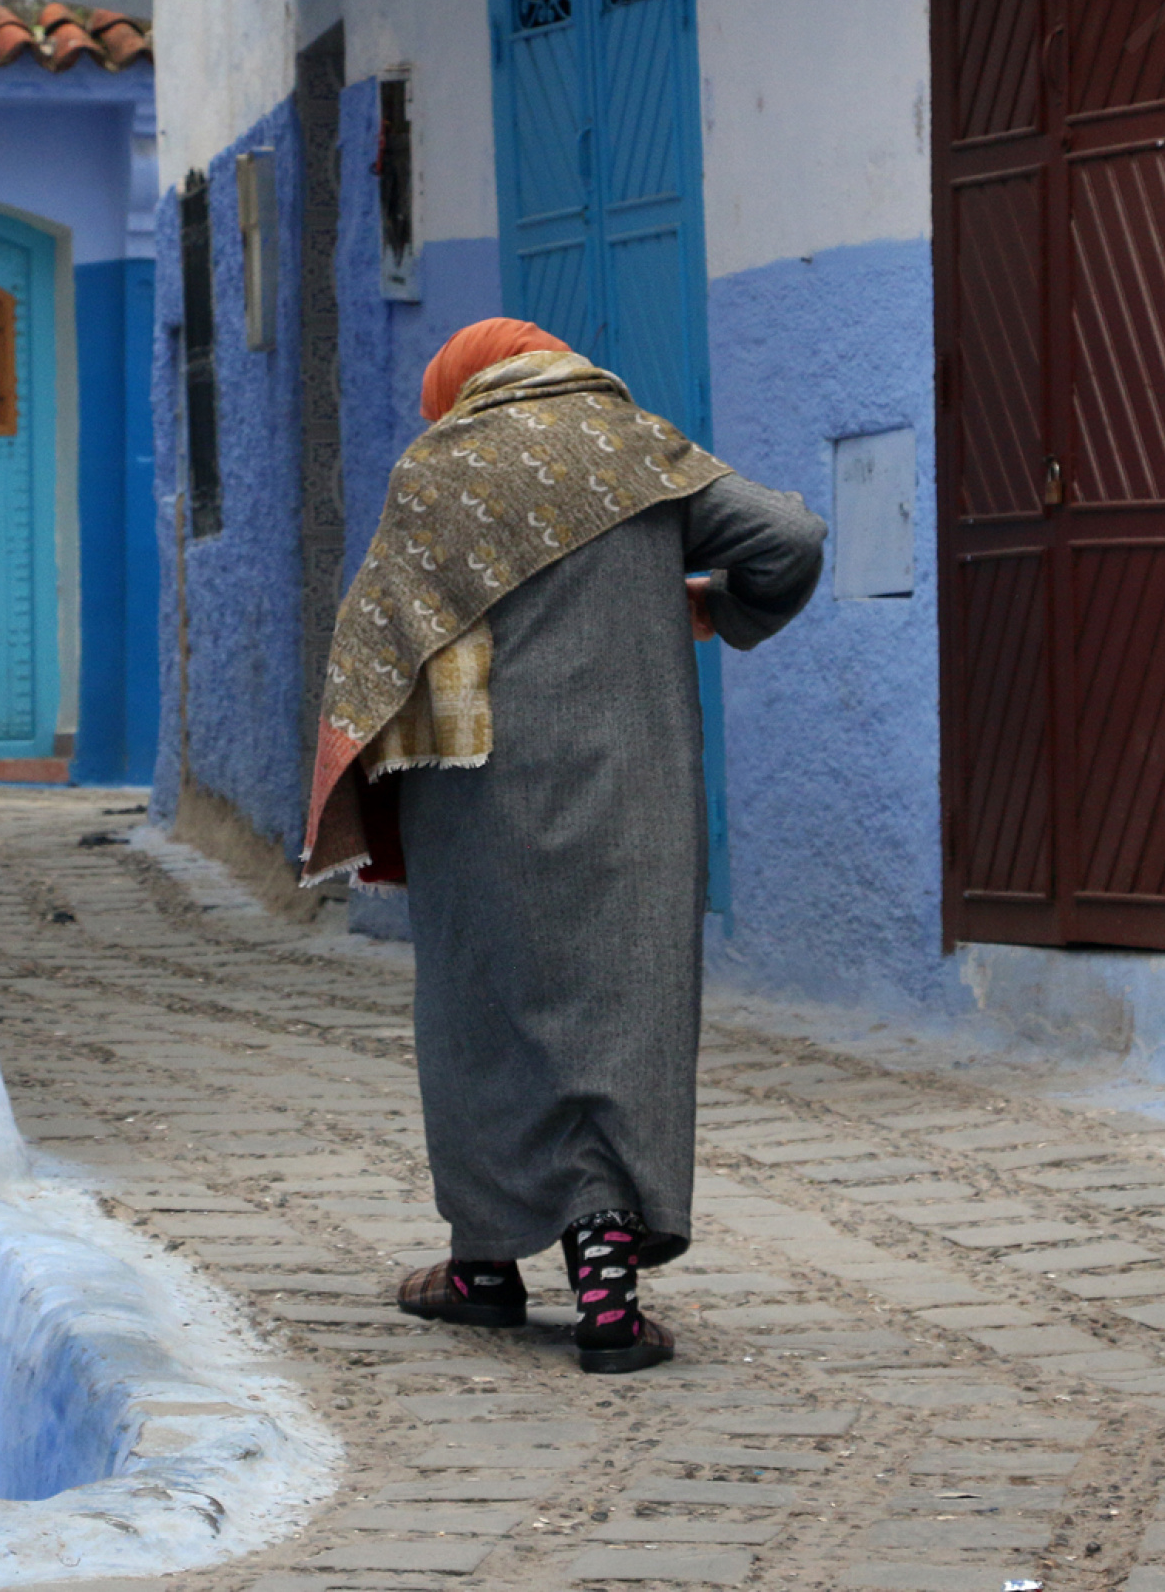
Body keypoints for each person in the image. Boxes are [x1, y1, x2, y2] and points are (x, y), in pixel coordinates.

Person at [300, 318, 826, 1374]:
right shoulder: (639, 449)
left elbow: (381, 642)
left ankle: (484, 1265)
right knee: (624, 1007)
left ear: (463, 384)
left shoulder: (437, 466)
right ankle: (607, 1286)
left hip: (475, 788)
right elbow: (790, 540)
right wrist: (711, 603)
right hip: (635, 784)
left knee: (479, 1011)